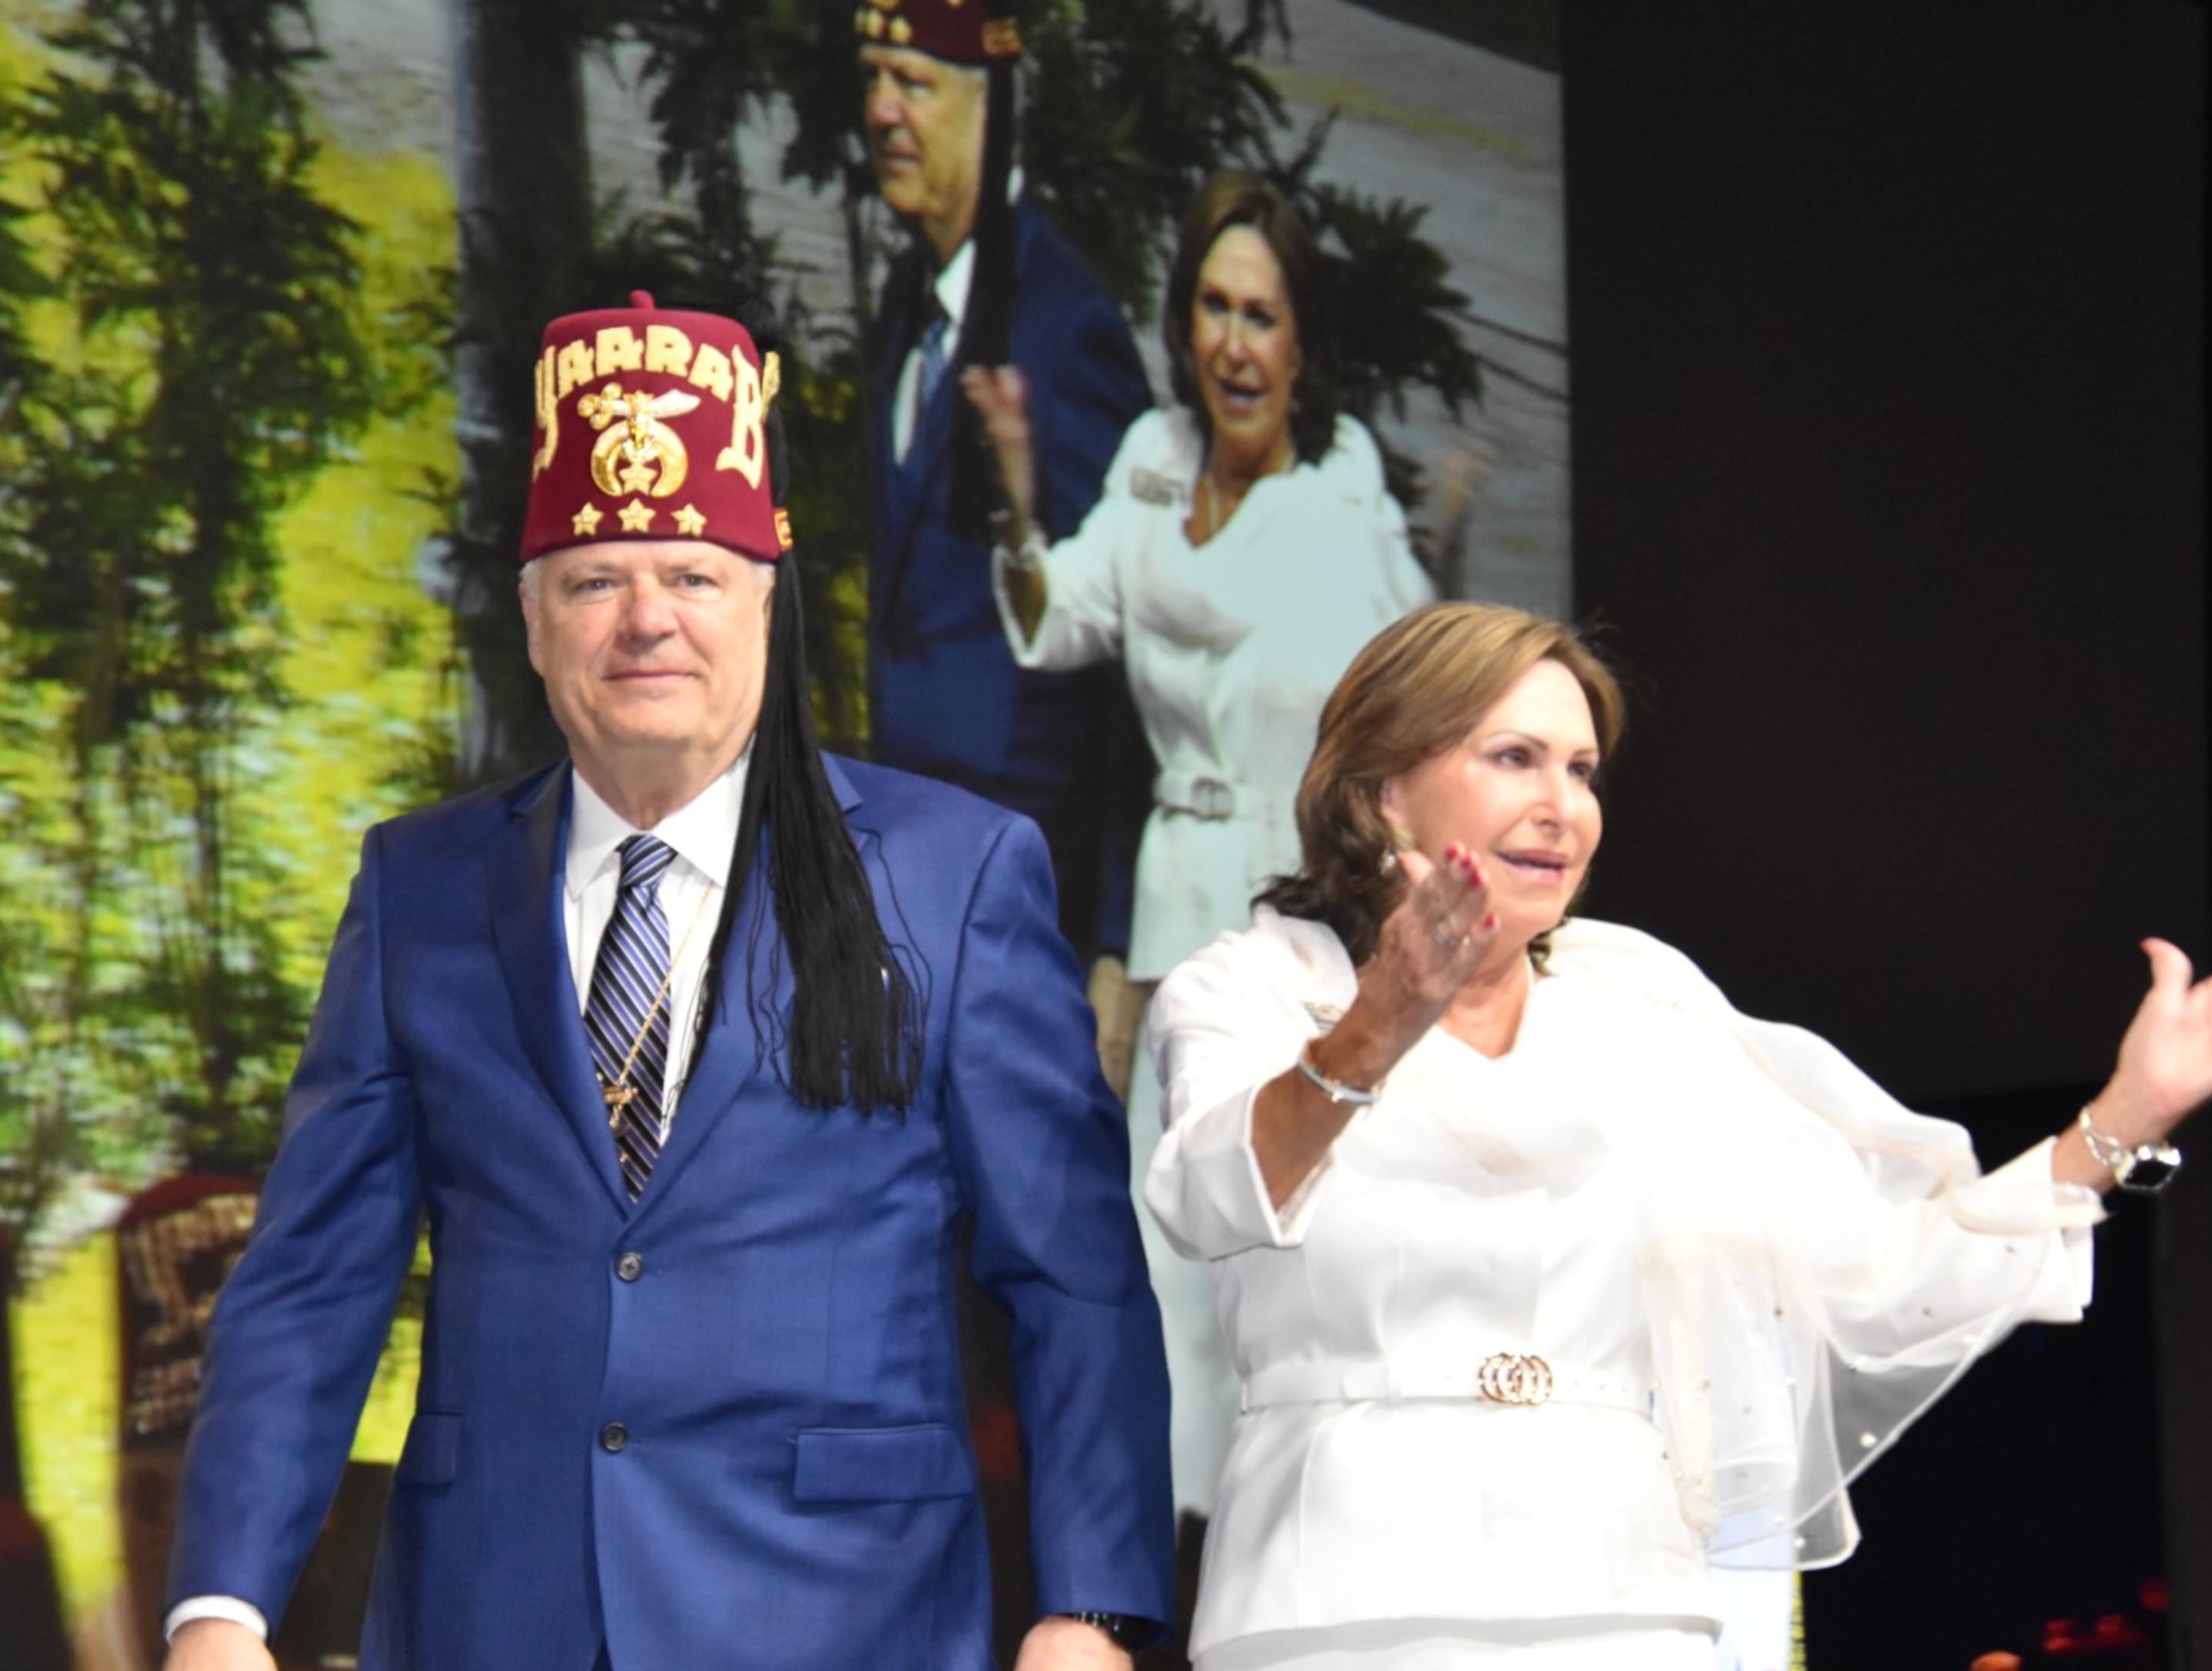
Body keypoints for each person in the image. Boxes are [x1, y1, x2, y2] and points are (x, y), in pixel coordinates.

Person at [162, 295, 1174, 1671]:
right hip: (493, 1616)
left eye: (694, 577)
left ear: (767, 603)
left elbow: (1073, 1277)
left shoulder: (953, 876)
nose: (648, 622)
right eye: (595, 581)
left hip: (838, 1617)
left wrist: (1092, 1607)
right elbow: (310, 1282)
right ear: (531, 620)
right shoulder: (424, 892)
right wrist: (221, 1608)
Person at [1144, 603, 2212, 1669]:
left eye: (1584, 770)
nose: (1563, 807)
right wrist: (1379, 1024)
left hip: (1623, 1607)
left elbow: (1879, 1281)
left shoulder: (1644, 1004)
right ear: (1380, 787)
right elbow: (1208, 1197)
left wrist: (2117, 1125)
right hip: (1342, 1604)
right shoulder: (1250, 987)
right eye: (1515, 757)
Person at [962, 169, 1434, 1513]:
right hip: (1179, 912)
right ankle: (1159, 1574)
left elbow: (1413, 697)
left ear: (1302, 345)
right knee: (1172, 1258)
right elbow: (1056, 623)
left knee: (1290, 1257)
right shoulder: (1153, 465)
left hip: (1302, 923)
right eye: (1215, 310)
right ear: (1187, 328)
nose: (1235, 342)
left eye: (1264, 317)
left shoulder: (1337, 500)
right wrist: (1013, 484)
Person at [860, 0, 1152, 1058]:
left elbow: (1126, 644)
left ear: (993, 107)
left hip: (1027, 889)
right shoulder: (907, 300)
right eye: (875, 77)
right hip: (907, 868)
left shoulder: (1066, 327)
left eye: (918, 84)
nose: (883, 110)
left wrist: (1115, 935)